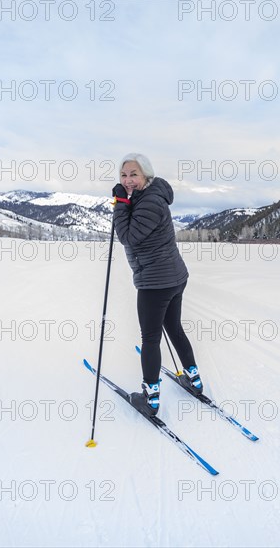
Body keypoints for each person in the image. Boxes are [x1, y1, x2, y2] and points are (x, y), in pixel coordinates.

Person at [112, 153, 203, 416]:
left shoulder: (149, 201)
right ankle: (193, 380)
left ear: (146, 176)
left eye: (133, 174)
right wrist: (126, 201)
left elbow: (128, 236)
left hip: (156, 282)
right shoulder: (150, 196)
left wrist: (120, 203)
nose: (128, 180)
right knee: (173, 328)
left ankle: (150, 398)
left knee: (150, 339)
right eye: (123, 175)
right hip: (174, 278)